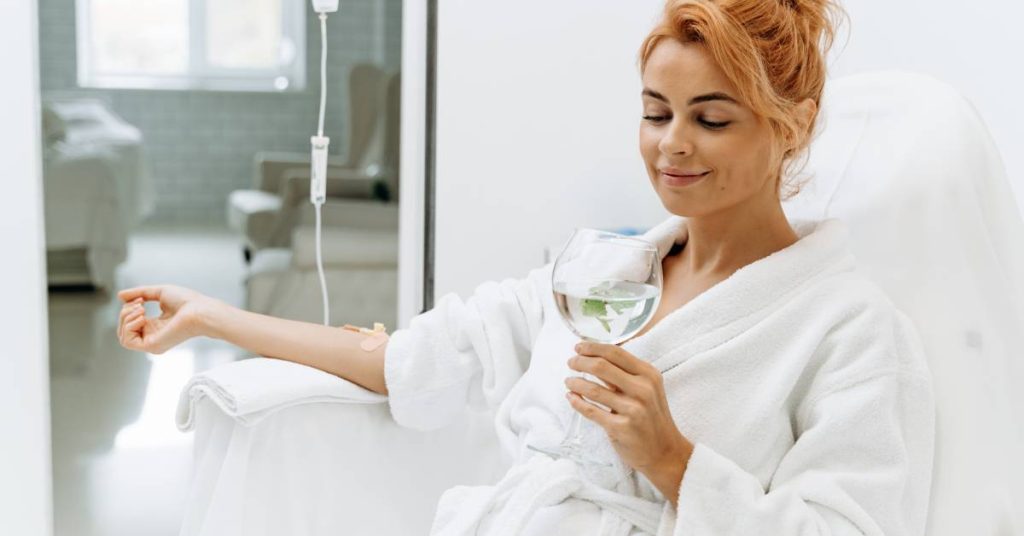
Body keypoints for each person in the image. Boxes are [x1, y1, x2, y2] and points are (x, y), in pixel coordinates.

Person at [117, 0, 935, 534]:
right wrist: (210, 316)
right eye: (655, 113)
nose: (672, 145)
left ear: (793, 125)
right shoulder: (602, 279)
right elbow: (408, 361)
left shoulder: (848, 330)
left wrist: (673, 462)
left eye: (710, 119)